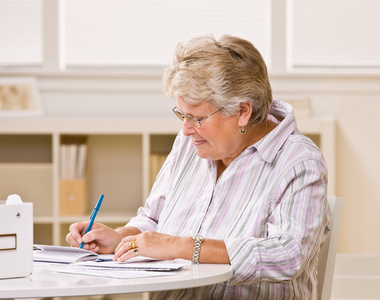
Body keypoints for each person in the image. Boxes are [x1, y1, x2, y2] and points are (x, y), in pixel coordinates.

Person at [66, 34, 331, 299]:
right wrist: (121, 238)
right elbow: (155, 219)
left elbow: (286, 255)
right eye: (182, 114)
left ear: (243, 111)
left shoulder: (298, 162)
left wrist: (180, 246)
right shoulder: (189, 144)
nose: (185, 129)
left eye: (197, 118)